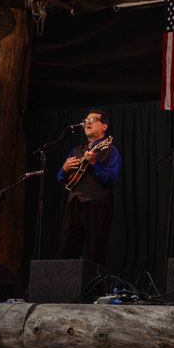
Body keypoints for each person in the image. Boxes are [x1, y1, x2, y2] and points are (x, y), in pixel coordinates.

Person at [56, 110, 122, 267]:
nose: (88, 122)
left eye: (93, 119)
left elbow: (110, 178)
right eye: (86, 120)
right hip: (74, 203)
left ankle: (94, 283)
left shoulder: (111, 150)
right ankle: (66, 282)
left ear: (104, 126)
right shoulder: (76, 150)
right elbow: (61, 180)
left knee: (95, 252)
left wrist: (95, 163)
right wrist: (64, 169)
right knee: (66, 250)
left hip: (97, 204)